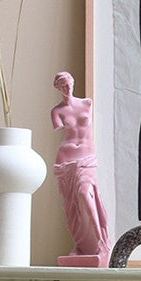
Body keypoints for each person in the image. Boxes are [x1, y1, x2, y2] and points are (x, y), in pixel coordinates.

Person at [51, 71, 111, 265]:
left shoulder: (87, 103)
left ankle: (102, 242)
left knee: (85, 193)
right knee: (71, 206)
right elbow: (58, 128)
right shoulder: (57, 112)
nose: (67, 89)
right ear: (58, 88)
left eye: (69, 84)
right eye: (63, 86)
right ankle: (81, 246)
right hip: (66, 160)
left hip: (86, 157)